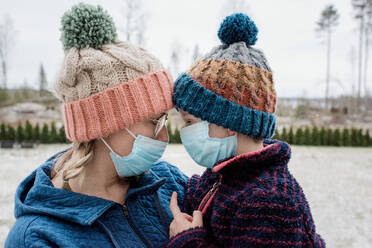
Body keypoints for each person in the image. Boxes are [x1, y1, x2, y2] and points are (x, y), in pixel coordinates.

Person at [5, 3, 187, 248]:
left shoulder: (168, 181)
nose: (164, 136)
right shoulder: (37, 237)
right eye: (154, 122)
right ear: (102, 125)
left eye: (165, 120)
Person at [166, 13, 326, 248]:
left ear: (229, 124)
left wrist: (189, 242)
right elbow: (200, 192)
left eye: (190, 122)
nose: (184, 132)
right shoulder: (228, 173)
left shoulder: (269, 202)